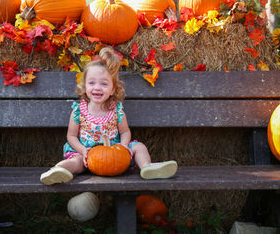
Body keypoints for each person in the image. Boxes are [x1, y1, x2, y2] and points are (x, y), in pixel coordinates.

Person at [40, 46, 177, 185]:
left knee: (139, 146)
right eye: (92, 83)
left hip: (114, 155)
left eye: (104, 84)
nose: (97, 87)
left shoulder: (117, 110)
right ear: (85, 87)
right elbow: (71, 136)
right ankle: (57, 170)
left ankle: (147, 168)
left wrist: (124, 146)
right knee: (75, 162)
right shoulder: (78, 111)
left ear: (112, 90)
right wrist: (82, 150)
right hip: (86, 155)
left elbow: (125, 131)